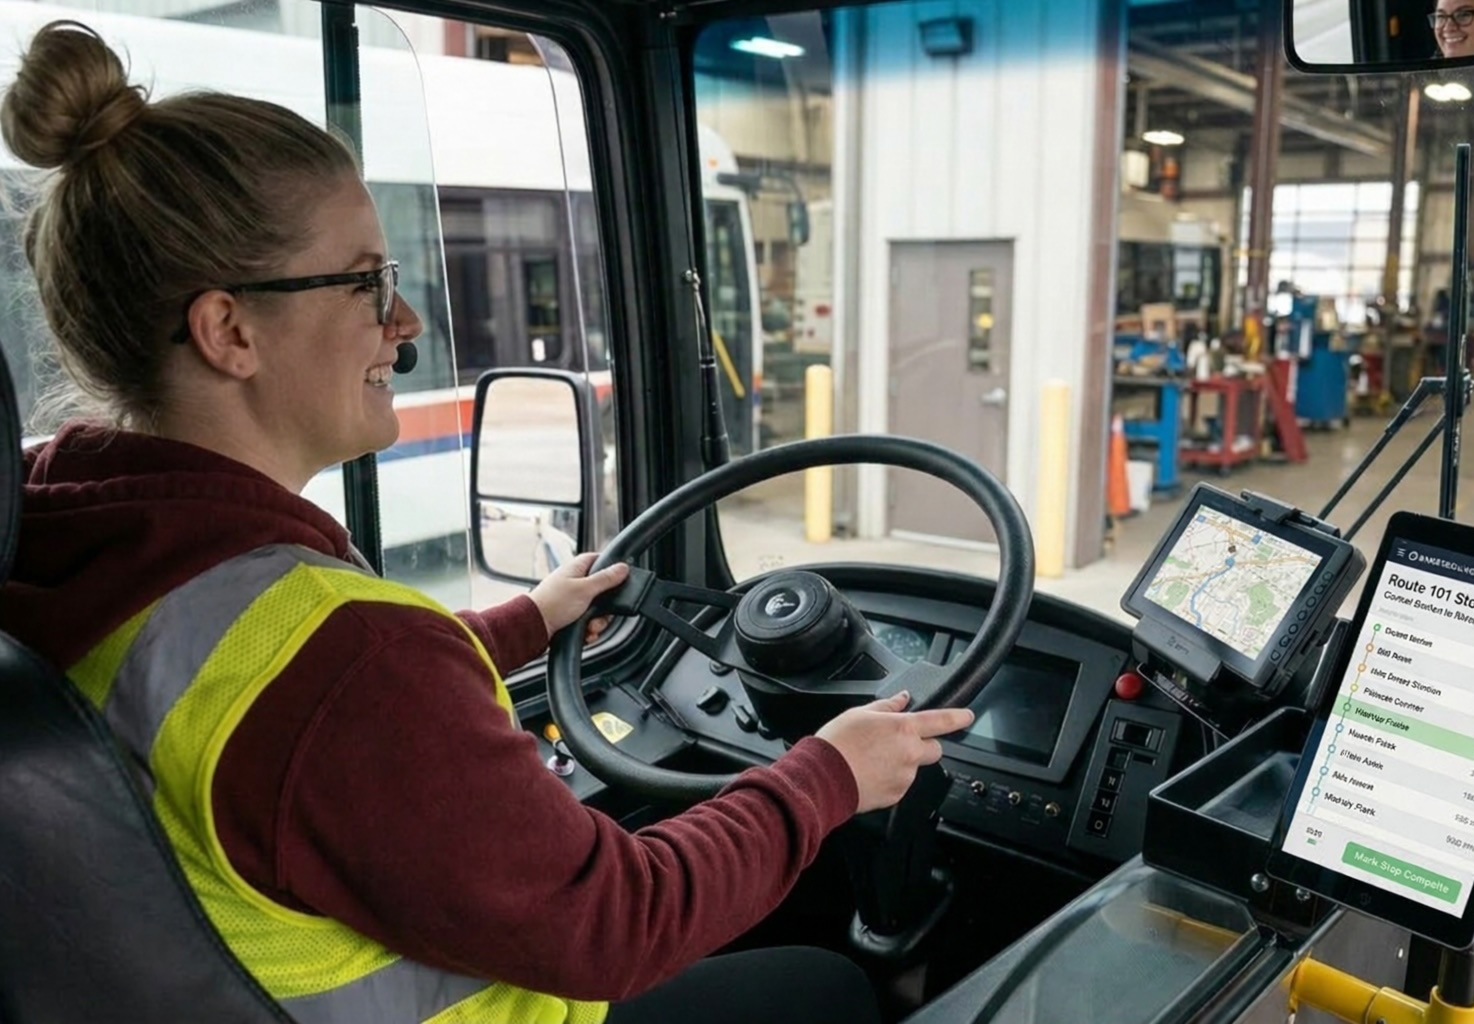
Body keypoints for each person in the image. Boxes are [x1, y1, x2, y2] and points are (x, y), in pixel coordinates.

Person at [0, 20, 976, 1024]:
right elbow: (617, 920)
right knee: (823, 988)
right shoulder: (345, 661)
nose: (406, 322)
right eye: (366, 280)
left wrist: (523, 620)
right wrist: (826, 777)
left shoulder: (66, 535)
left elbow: (253, 699)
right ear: (230, 331)